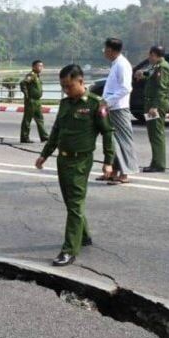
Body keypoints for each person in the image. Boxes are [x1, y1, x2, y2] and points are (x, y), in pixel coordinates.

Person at [35, 64, 114, 267]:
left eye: (69, 86)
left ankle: (69, 249)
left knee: (75, 203)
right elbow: (56, 131)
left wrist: (108, 162)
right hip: (63, 159)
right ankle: (84, 236)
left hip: (80, 161)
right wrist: (44, 155)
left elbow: (107, 133)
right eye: (63, 86)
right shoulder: (65, 104)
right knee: (71, 202)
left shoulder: (96, 104)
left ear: (81, 81)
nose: (66, 90)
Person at [100, 38, 138, 184]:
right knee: (113, 140)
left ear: (110, 50)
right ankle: (113, 171)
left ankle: (124, 174)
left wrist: (108, 101)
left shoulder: (122, 65)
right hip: (112, 108)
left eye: (105, 49)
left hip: (119, 108)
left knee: (123, 140)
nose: (104, 52)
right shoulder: (116, 64)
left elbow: (126, 88)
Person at [135, 45, 169, 172]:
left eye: (150, 55)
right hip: (151, 103)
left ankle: (158, 164)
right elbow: (150, 75)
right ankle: (155, 162)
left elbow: (161, 88)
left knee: (156, 134)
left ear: (155, 55)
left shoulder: (163, 67)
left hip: (156, 104)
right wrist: (142, 74)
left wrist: (155, 107)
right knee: (153, 133)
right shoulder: (156, 66)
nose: (149, 57)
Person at [19, 60, 49, 143]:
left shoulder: (37, 76)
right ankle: (24, 137)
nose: (41, 68)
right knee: (27, 119)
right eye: (39, 66)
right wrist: (27, 95)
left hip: (37, 101)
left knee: (40, 119)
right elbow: (23, 83)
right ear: (34, 67)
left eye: (42, 66)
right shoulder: (31, 75)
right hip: (31, 101)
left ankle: (44, 136)